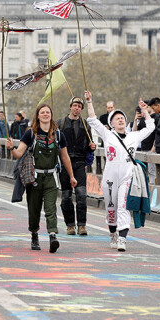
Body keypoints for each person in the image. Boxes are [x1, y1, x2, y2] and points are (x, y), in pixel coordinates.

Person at [85, 91, 154, 251]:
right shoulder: (108, 134)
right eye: (117, 118)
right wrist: (89, 102)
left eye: (122, 117)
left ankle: (122, 238)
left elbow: (151, 127)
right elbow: (93, 121)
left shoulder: (133, 136)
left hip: (127, 175)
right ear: (112, 123)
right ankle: (112, 234)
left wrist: (144, 111)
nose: (121, 119)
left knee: (123, 206)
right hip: (110, 177)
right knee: (111, 207)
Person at [7, 103, 76, 253]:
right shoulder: (30, 134)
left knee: (51, 208)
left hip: (51, 177)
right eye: (42, 112)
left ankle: (52, 236)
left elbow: (65, 158)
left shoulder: (58, 135)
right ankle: (34, 235)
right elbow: (19, 154)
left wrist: (71, 176)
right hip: (34, 177)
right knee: (34, 209)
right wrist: (11, 147)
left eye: (48, 112)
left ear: (51, 115)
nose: (45, 114)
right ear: (37, 116)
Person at [58, 97, 96, 236]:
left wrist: (92, 147)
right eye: (75, 105)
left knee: (81, 195)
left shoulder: (85, 124)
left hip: (79, 163)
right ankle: (70, 225)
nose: (77, 108)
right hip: (65, 164)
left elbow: (90, 144)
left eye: (79, 106)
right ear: (70, 107)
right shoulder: (61, 123)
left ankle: (82, 225)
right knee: (66, 197)